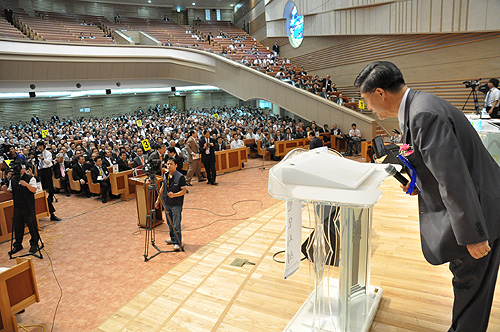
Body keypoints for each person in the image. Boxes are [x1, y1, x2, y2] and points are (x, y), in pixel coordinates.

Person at [354, 61, 500, 332]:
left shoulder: (423, 115)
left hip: (480, 215)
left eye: (366, 101)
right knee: (471, 289)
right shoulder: (420, 105)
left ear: (380, 93)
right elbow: (440, 166)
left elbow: (453, 180)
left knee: (471, 289)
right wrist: (418, 182)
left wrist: (474, 235)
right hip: (482, 205)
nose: (369, 109)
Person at [3, 160, 40, 255]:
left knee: (32, 225)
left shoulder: (30, 178)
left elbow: (34, 190)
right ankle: (18, 244)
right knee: (18, 227)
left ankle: (34, 243)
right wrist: (5, 190)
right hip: (17, 207)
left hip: (28, 206)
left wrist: (26, 184)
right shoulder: (13, 179)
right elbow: (11, 192)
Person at [155, 158, 187, 251]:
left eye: (171, 164)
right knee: (169, 223)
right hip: (167, 203)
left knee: (176, 224)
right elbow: (162, 188)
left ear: (176, 165)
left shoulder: (180, 177)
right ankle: (173, 239)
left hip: (176, 204)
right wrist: (158, 200)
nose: (169, 166)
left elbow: (184, 191)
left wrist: (174, 195)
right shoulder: (165, 175)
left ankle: (177, 242)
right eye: (168, 164)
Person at [36, 141, 60, 221]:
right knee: (42, 185)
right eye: (38, 146)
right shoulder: (38, 154)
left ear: (43, 146)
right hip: (41, 170)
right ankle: (44, 197)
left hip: (47, 169)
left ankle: (50, 197)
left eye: (41, 146)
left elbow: (48, 162)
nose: (40, 147)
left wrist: (42, 158)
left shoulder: (48, 153)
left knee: (50, 184)